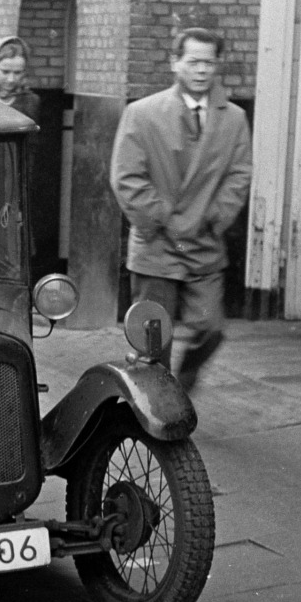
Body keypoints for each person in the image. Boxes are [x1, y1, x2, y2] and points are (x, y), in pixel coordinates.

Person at [109, 27, 252, 392]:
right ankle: (156, 412)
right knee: (154, 341)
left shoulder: (233, 118)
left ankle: (184, 380)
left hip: (202, 242)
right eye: (193, 61)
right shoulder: (142, 114)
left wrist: (213, 218)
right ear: (175, 63)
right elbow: (127, 178)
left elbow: (239, 175)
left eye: (209, 62)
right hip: (157, 243)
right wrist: (163, 219)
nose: (202, 70)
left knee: (211, 328)